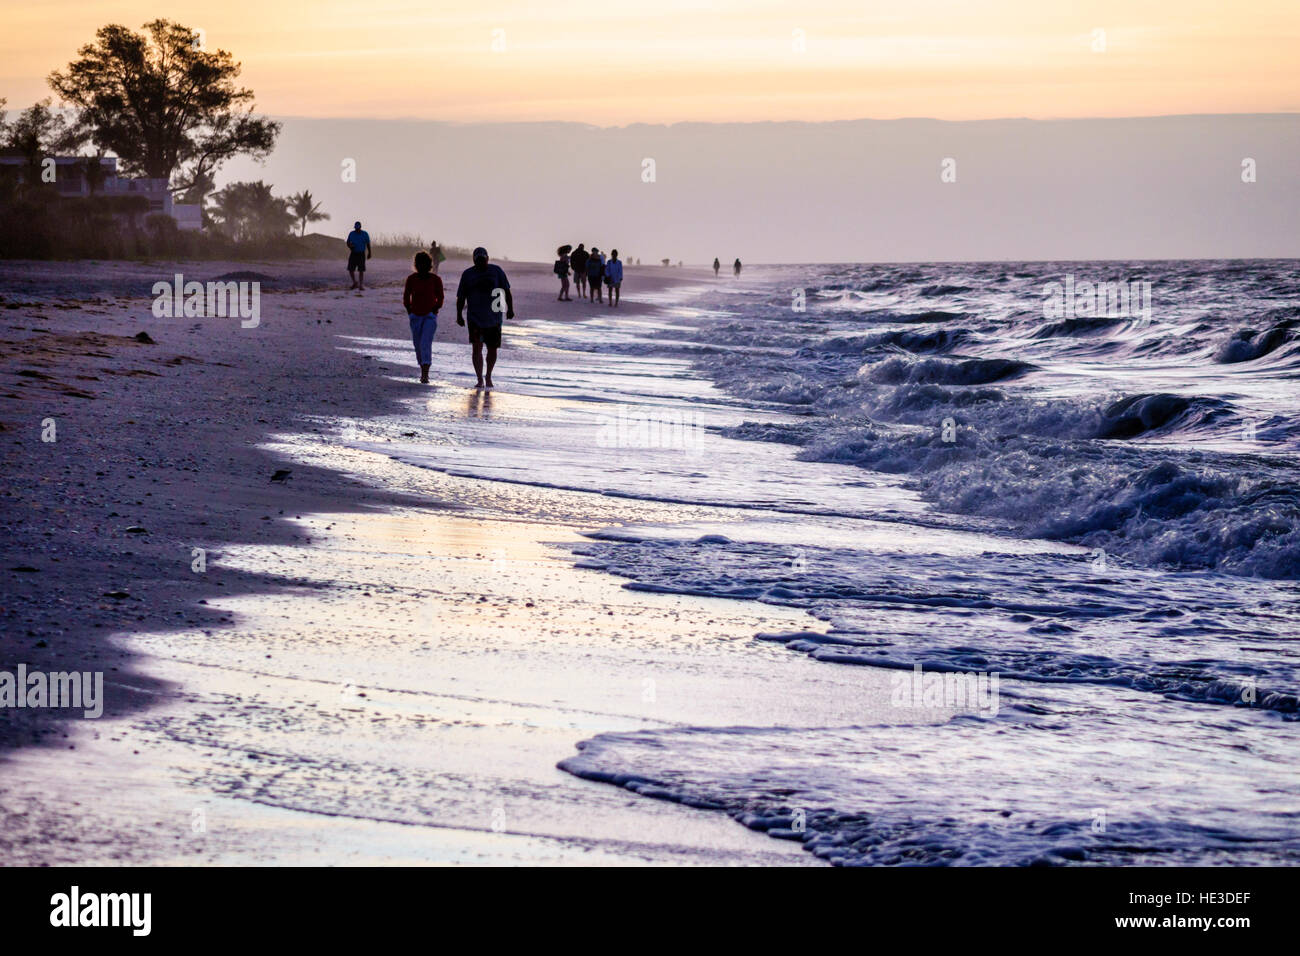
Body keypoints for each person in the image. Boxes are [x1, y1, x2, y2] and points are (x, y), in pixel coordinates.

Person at [456, 247, 513, 389]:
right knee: (477, 348)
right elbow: (461, 297)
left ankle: (488, 376)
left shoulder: (496, 271)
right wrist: (459, 315)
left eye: (483, 259)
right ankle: (479, 378)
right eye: (478, 260)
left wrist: (510, 309)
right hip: (474, 317)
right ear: (474, 260)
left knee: (492, 349)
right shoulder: (468, 274)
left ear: (487, 258)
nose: (481, 262)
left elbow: (506, 290)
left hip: (494, 317)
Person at [402, 251, 444, 384]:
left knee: (425, 343)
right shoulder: (411, 279)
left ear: (429, 265)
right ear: (416, 265)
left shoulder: (435, 279)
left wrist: (435, 309)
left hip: (429, 317)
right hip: (415, 316)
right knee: (417, 345)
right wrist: (409, 310)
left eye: (425, 263)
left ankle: (425, 374)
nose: (422, 266)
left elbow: (440, 296)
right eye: (419, 264)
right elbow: (406, 296)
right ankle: (422, 367)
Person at [346, 221, 371, 290]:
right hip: (353, 253)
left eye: (358, 228)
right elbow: (348, 242)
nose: (357, 229)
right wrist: (350, 246)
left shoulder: (365, 234)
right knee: (350, 269)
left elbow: (368, 244)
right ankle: (354, 282)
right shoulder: (351, 233)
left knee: (361, 270)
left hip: (361, 254)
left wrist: (369, 253)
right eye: (356, 228)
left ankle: (361, 285)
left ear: (360, 227)